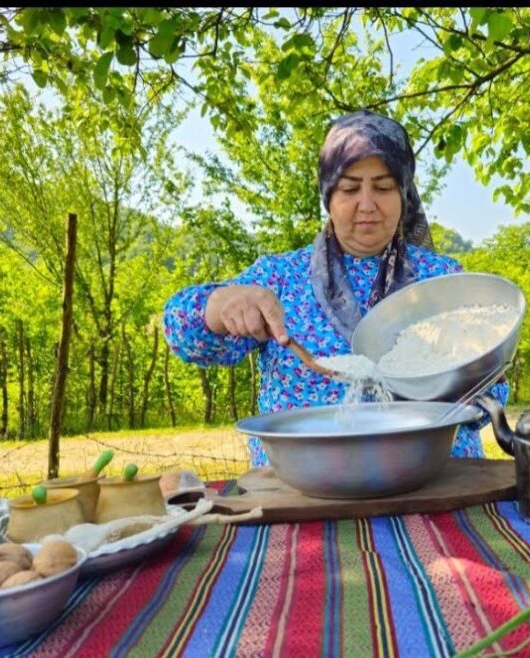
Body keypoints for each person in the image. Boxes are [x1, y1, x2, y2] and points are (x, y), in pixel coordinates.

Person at [163, 109, 508, 467]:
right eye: (349, 188)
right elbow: (183, 336)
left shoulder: (441, 280)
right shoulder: (280, 278)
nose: (367, 204)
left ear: (404, 194)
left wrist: (453, 386)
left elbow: (490, 396)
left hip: (434, 481)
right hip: (305, 488)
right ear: (328, 195)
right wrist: (217, 306)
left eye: (384, 187)